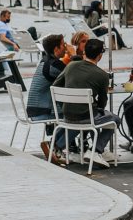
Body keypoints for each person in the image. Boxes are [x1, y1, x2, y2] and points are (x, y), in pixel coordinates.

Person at [51, 38, 119, 168]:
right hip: (87, 118)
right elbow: (103, 103)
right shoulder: (102, 75)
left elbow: (55, 86)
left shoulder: (70, 66)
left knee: (85, 114)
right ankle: (96, 151)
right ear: (100, 56)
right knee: (114, 119)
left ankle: (58, 146)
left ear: (84, 52)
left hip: (66, 114)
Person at [26, 34, 68, 157]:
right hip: (42, 110)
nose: (65, 47)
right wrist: (72, 54)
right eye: (63, 45)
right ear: (56, 49)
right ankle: (55, 146)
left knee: (75, 114)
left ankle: (58, 145)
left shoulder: (46, 60)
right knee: (77, 116)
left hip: (35, 108)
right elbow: (74, 74)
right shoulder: (54, 65)